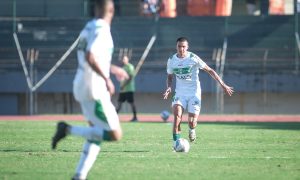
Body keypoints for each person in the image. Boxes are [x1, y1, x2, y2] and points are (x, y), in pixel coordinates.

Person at [51, 0, 128, 179]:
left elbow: (92, 58)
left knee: (95, 131)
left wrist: (112, 69)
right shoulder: (102, 29)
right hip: (94, 88)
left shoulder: (89, 27)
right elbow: (90, 56)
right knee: (115, 134)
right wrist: (106, 78)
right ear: (111, 10)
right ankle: (67, 129)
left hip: (82, 83)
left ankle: (79, 175)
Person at [163, 37, 234, 148]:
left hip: (194, 93)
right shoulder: (171, 60)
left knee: (191, 121)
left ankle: (192, 129)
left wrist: (223, 85)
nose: (181, 49)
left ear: (187, 47)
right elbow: (169, 76)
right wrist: (168, 87)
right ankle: (175, 145)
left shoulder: (193, 58)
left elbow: (210, 70)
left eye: (184, 46)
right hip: (180, 93)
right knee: (177, 117)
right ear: (176, 47)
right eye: (179, 46)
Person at [116, 55, 138, 122]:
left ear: (127, 59)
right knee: (119, 103)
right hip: (123, 90)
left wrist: (124, 85)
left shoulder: (130, 67)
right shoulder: (123, 68)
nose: (123, 60)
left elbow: (130, 78)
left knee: (131, 103)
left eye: (124, 59)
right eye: (123, 59)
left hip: (129, 89)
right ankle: (113, 117)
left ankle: (135, 118)